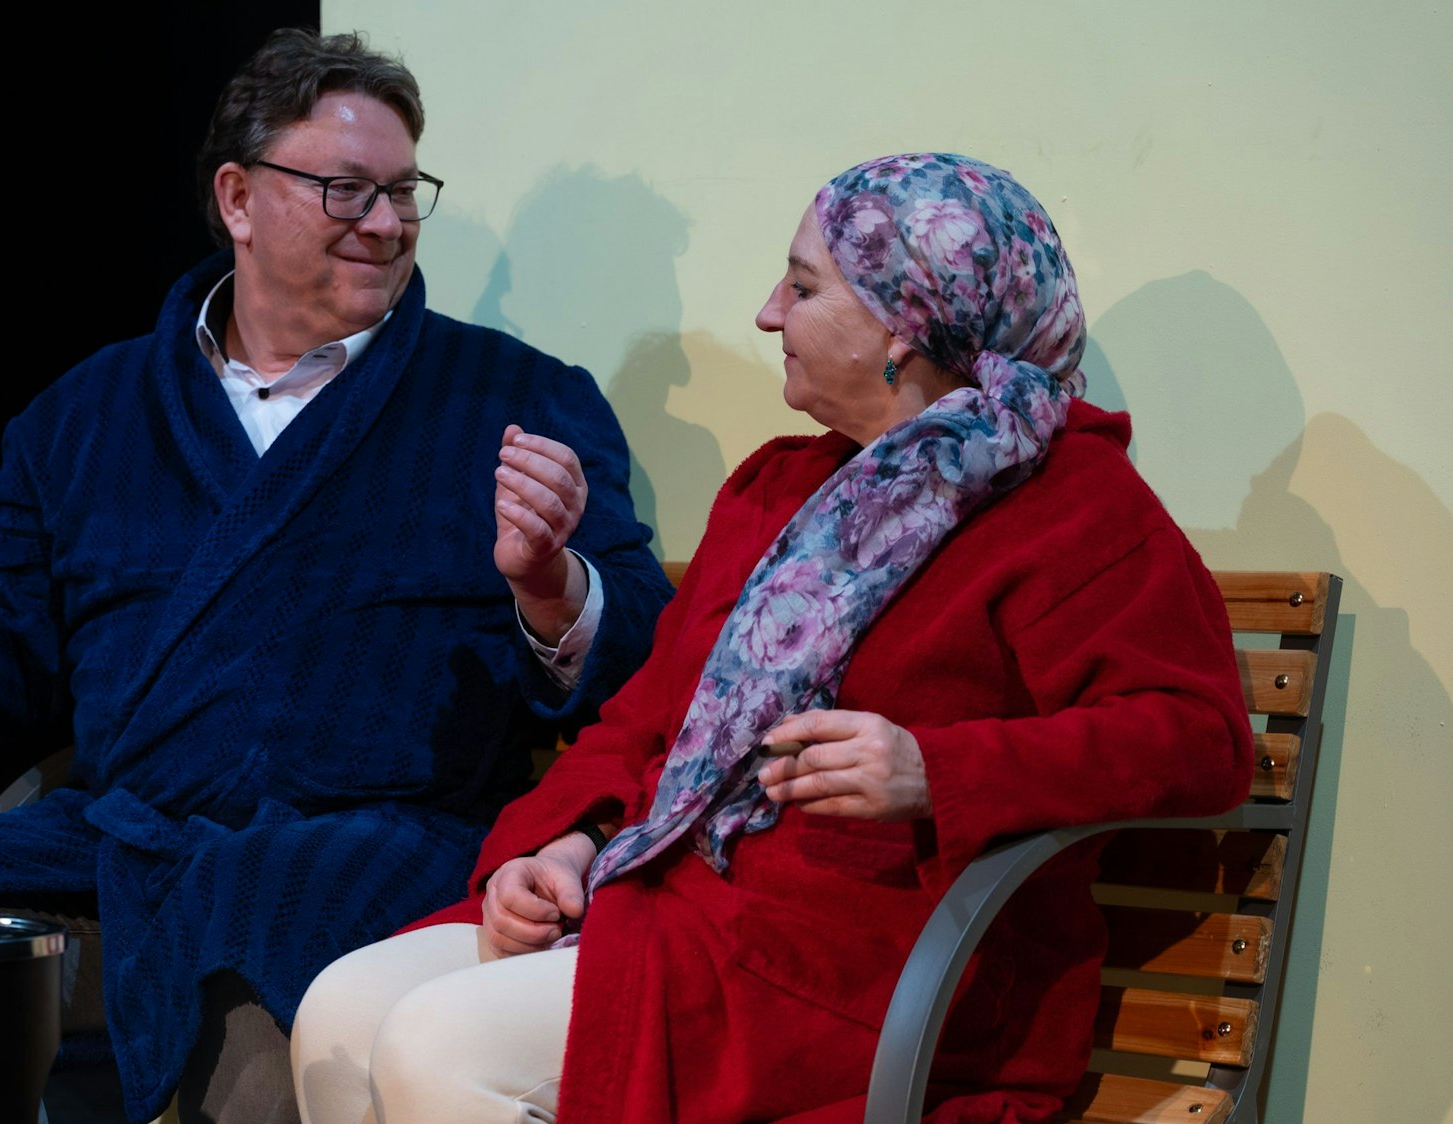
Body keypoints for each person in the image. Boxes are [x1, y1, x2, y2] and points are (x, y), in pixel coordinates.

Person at [0, 28, 674, 1124]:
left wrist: (550, 584)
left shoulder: (515, 399)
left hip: (384, 834)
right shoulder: (82, 417)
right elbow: (13, 668)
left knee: (255, 899)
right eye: (347, 190)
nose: (387, 222)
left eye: (404, 192)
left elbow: (646, 658)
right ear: (238, 198)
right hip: (126, 835)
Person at [290, 152, 1255, 1123]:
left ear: (902, 323)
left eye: (801, 286)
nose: (765, 313)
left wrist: (935, 770)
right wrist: (565, 845)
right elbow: (646, 721)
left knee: (439, 1046)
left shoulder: (1072, 505)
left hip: (864, 960)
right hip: (669, 901)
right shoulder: (776, 487)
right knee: (341, 1007)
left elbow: (1197, 736)